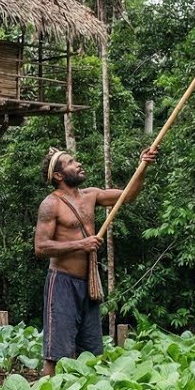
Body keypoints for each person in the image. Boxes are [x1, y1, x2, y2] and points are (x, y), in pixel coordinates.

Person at [33, 146, 158, 376]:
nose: (78, 164)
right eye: (71, 162)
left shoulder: (91, 195)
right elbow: (40, 248)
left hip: (88, 284)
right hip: (61, 284)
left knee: (91, 353)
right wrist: (81, 244)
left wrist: (143, 166)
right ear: (58, 176)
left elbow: (128, 195)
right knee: (56, 355)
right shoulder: (51, 204)